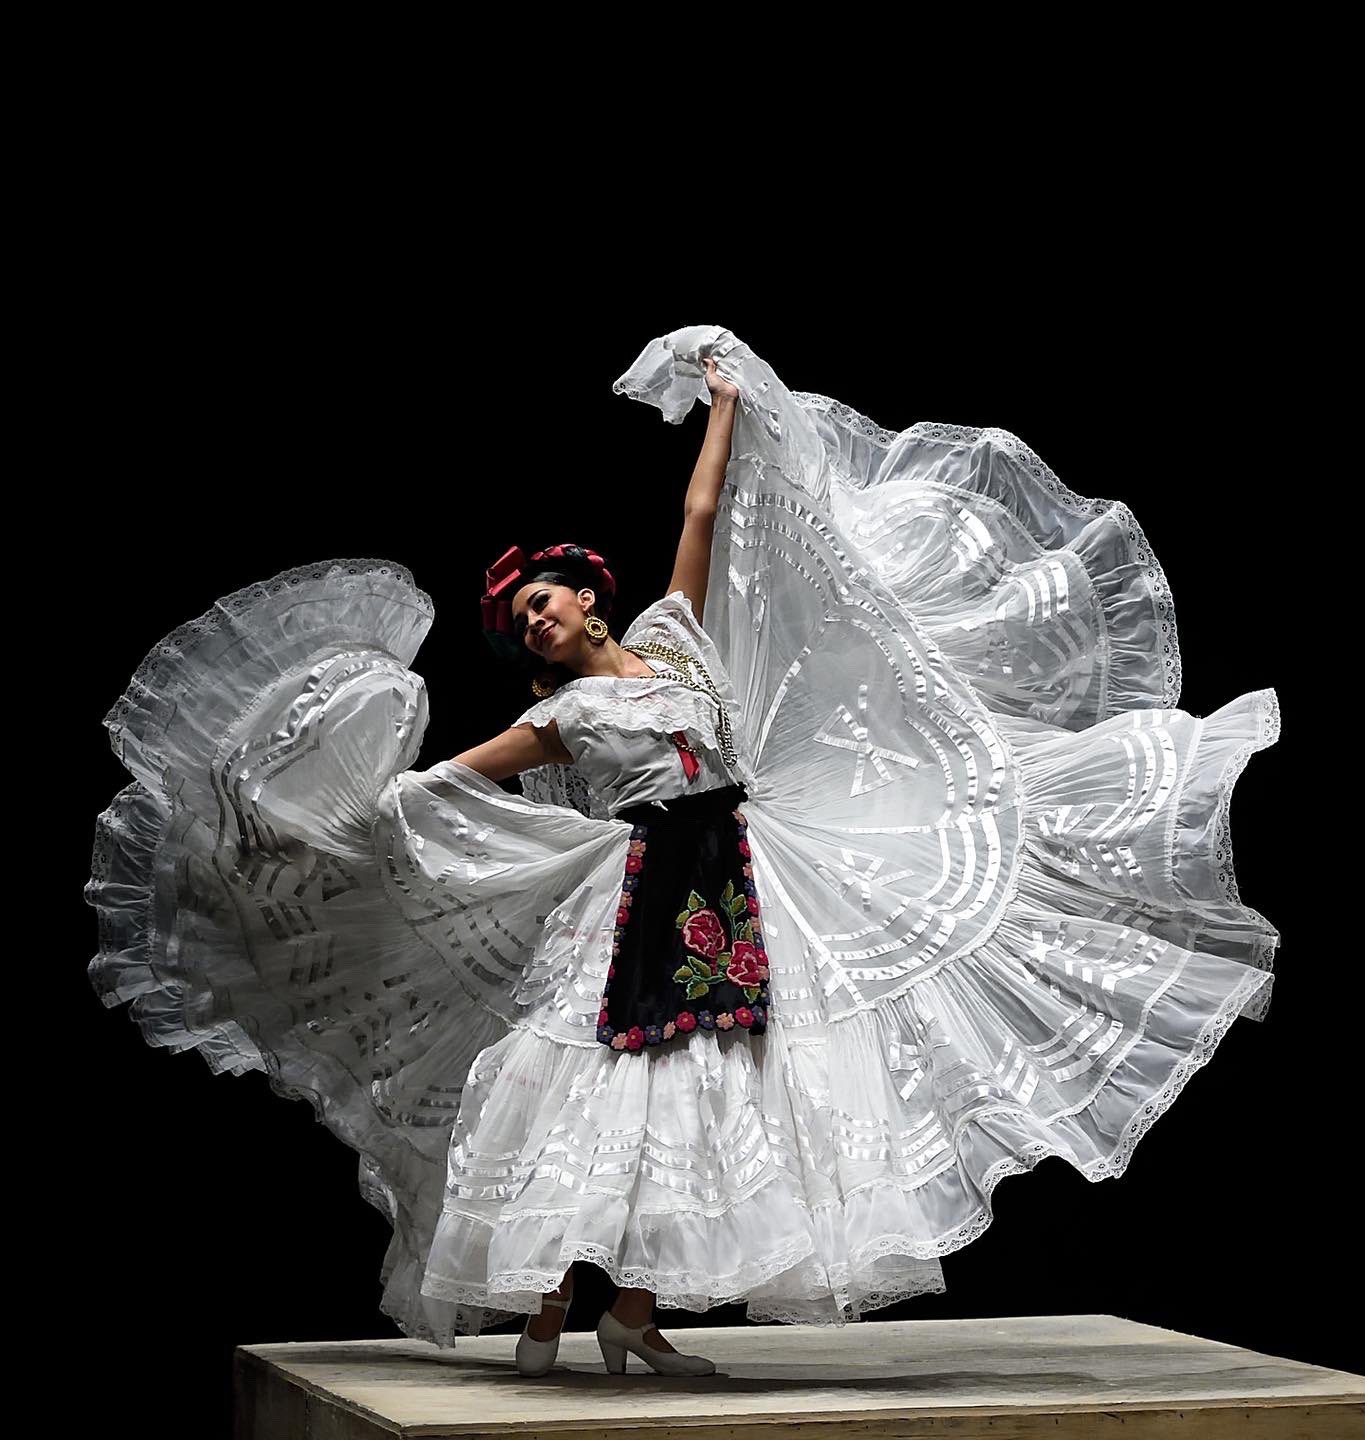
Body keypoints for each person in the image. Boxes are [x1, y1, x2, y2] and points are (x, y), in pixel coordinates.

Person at [86, 324, 1282, 1380]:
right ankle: (555, 1301)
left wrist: (722, 404)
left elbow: (700, 518)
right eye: (522, 625)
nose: (536, 624)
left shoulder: (669, 644)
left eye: (544, 604)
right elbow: (435, 786)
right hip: (645, 887)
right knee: (596, 1086)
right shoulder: (557, 719)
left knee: (710, 1089)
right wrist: (327, 791)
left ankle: (635, 1313)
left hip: (741, 871)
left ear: (587, 600)